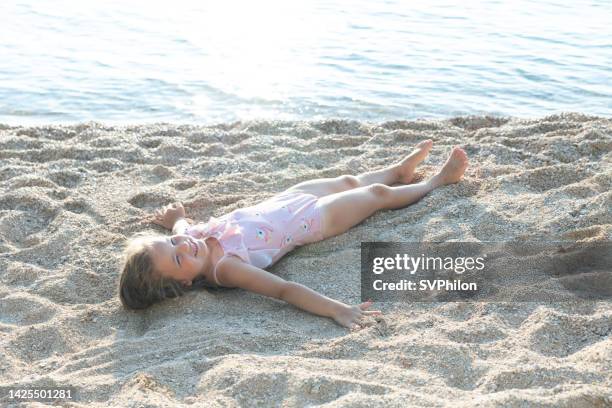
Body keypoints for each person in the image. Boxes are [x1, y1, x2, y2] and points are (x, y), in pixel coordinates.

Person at [118, 140, 468, 330]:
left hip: (288, 199)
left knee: (349, 181)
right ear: (185, 284)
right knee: (376, 196)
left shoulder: (189, 240)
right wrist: (336, 310)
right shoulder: (226, 268)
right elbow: (284, 290)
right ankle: (436, 182)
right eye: (177, 257)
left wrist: (176, 222)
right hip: (313, 221)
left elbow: (181, 231)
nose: (183, 244)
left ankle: (399, 171)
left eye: (171, 243)